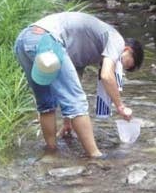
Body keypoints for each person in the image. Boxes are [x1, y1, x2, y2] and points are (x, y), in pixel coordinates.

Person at [14, 11, 144, 157]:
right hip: (48, 40)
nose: (117, 67)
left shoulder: (86, 51)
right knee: (78, 102)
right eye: (123, 63)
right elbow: (107, 76)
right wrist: (120, 106)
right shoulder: (117, 40)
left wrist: (68, 122)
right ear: (127, 50)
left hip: (24, 40)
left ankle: (51, 152)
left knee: (46, 103)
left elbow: (70, 88)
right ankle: (95, 156)